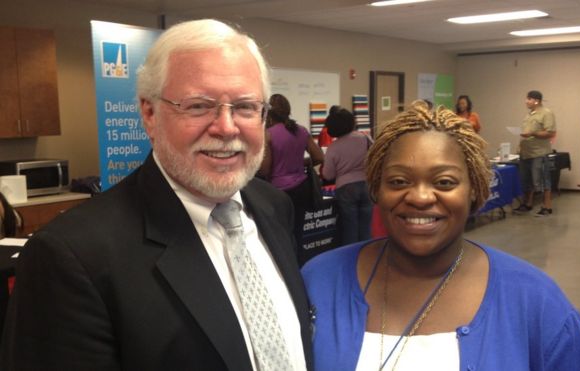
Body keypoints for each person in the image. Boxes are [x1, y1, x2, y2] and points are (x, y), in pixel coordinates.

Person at [1, 19, 312, 370]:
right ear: (149, 113)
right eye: (198, 105)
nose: (226, 127)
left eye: (245, 107)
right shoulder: (72, 256)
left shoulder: (273, 206)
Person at [302, 101, 580, 371]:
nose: (419, 197)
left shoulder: (537, 302)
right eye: (398, 181)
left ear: (475, 190)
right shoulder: (319, 280)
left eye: (444, 181)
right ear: (377, 189)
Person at [259, 93, 324, 257]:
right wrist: (297, 163)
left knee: (281, 234)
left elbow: (265, 170)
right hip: (302, 188)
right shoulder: (301, 130)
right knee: (298, 232)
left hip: (279, 192)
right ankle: (300, 265)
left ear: (268, 113)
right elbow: (319, 157)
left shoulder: (268, 134)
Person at [322, 108, 372, 245]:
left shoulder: (333, 147)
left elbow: (328, 174)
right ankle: (367, 257)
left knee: (349, 228)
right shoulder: (364, 138)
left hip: (345, 188)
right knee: (366, 227)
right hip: (367, 184)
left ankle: (351, 259)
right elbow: (375, 158)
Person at [514, 90, 556, 217]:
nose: (526, 101)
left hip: (539, 153)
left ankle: (547, 207)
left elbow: (550, 133)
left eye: (529, 99)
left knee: (542, 180)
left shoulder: (546, 113)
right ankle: (528, 204)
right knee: (527, 181)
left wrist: (532, 134)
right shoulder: (529, 115)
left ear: (536, 100)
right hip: (526, 152)